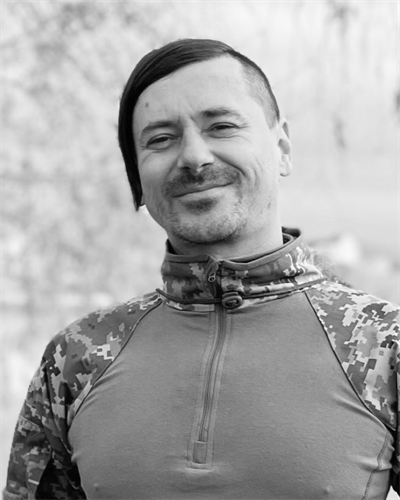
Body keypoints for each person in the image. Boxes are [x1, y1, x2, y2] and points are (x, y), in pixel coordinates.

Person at [3, 39, 399, 500]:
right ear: (137, 178)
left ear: (282, 147)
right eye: (160, 139)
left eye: (222, 126)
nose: (194, 157)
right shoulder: (74, 358)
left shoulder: (383, 344)